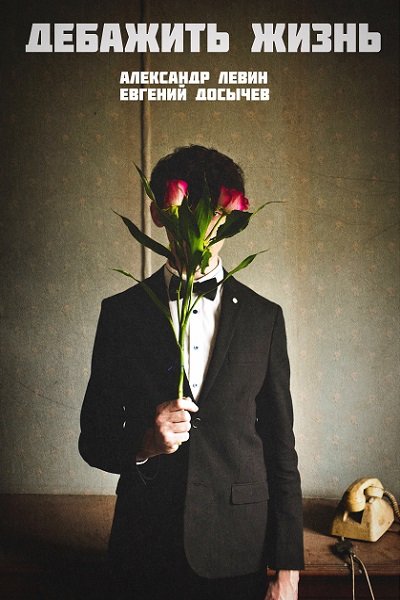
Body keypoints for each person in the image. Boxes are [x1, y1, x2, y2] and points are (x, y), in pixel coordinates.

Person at [79, 145, 304, 600]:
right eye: (187, 213)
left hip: (238, 549)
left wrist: (288, 568)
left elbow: (281, 447)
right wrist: (145, 442)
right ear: (158, 214)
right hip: (144, 547)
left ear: (233, 218)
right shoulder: (121, 314)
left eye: (215, 215)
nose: (202, 230)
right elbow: (93, 439)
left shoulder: (264, 318)